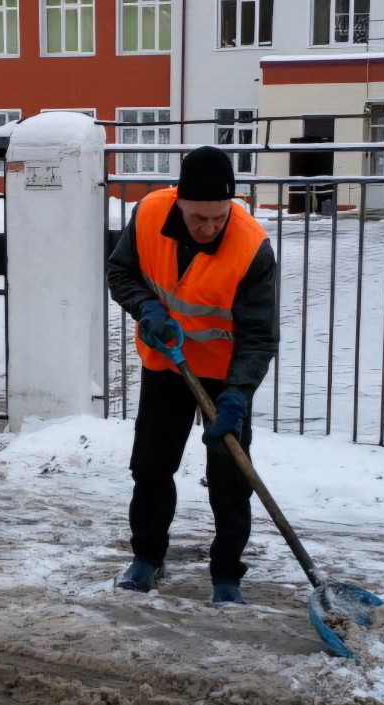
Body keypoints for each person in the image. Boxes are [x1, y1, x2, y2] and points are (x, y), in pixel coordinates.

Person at [106, 146, 278, 605]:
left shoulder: (252, 248)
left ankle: (226, 576)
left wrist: (239, 395)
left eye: (219, 216)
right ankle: (146, 558)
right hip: (167, 363)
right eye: (199, 217)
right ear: (178, 202)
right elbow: (120, 273)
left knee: (230, 477)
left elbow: (260, 335)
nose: (210, 227)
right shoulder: (148, 214)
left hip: (225, 376)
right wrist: (145, 308)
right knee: (151, 466)